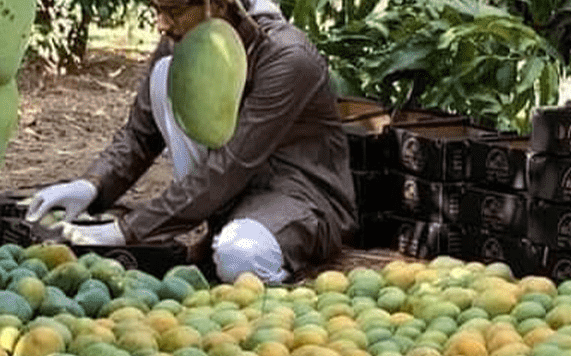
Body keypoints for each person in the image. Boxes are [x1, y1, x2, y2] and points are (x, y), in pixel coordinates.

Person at [24, 0, 357, 284]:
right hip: (230, 191)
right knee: (166, 73)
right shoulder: (184, 41)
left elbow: (230, 166)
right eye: (156, 8)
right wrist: (91, 185)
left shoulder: (287, 58)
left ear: (218, 4)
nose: (161, 24)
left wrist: (127, 230)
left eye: (173, 10)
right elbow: (140, 135)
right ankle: (217, 232)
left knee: (240, 255)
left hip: (297, 196)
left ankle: (274, 274)